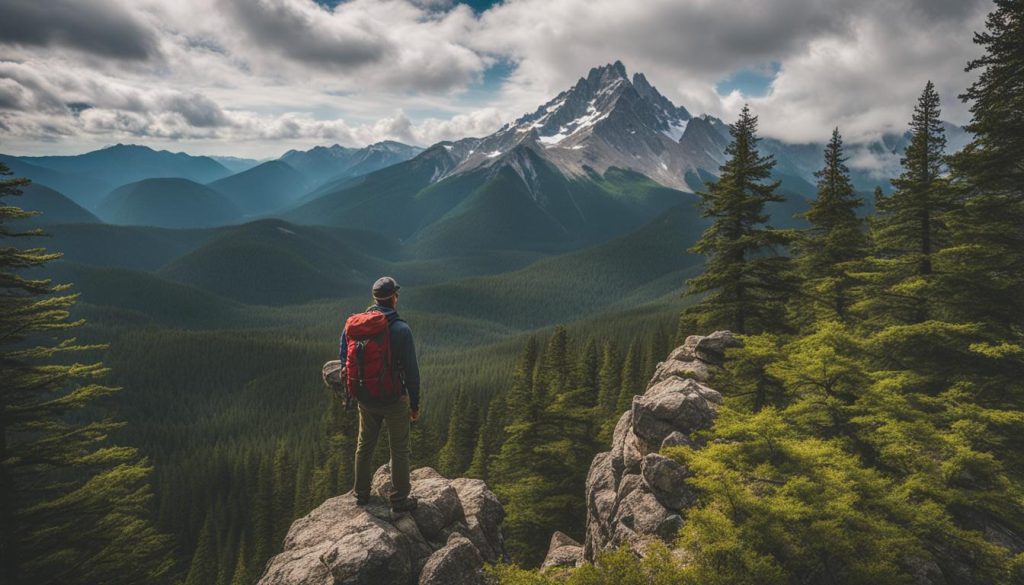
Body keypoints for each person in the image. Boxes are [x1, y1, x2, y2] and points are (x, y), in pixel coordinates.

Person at [339, 276, 420, 513]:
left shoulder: (353, 326)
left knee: (364, 446)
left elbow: (345, 359)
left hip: (366, 397)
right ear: (394, 298)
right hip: (394, 399)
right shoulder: (401, 330)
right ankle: (400, 499)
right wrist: (414, 405)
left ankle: (361, 494)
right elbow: (412, 373)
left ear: (374, 299)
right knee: (399, 449)